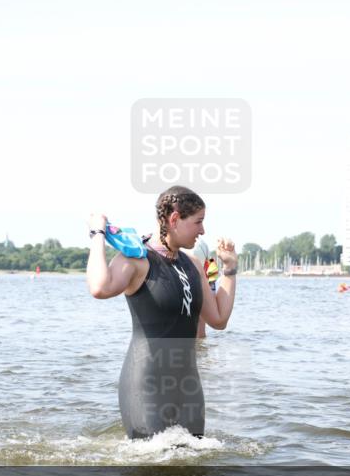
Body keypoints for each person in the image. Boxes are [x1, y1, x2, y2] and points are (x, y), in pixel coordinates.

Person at [86, 186, 238, 439]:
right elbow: (99, 288)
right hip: (146, 387)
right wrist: (97, 234)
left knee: (197, 462)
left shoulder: (193, 265)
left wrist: (230, 270)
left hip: (188, 390)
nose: (203, 230)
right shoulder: (137, 260)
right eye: (198, 222)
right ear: (175, 219)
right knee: (152, 461)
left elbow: (219, 319)